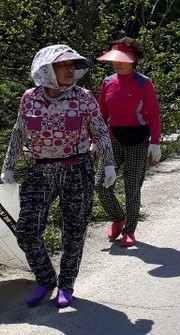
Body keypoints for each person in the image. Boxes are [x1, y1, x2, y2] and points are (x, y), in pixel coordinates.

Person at [0, 45, 116, 308]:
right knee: (27, 229)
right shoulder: (29, 98)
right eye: (63, 66)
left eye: (73, 66)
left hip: (77, 169)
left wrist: (108, 164)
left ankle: (66, 284)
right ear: (46, 70)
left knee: (74, 231)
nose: (70, 70)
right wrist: (8, 166)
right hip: (40, 170)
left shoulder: (84, 97)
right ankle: (45, 278)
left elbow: (99, 131)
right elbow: (19, 132)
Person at [93, 37, 161, 248]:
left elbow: (154, 114)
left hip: (138, 140)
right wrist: (95, 140)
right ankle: (118, 217)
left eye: (123, 59)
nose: (118, 63)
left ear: (133, 60)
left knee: (132, 188)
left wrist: (155, 142)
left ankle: (129, 230)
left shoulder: (144, 82)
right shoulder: (107, 82)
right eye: (115, 59)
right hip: (111, 139)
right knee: (101, 185)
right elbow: (100, 114)